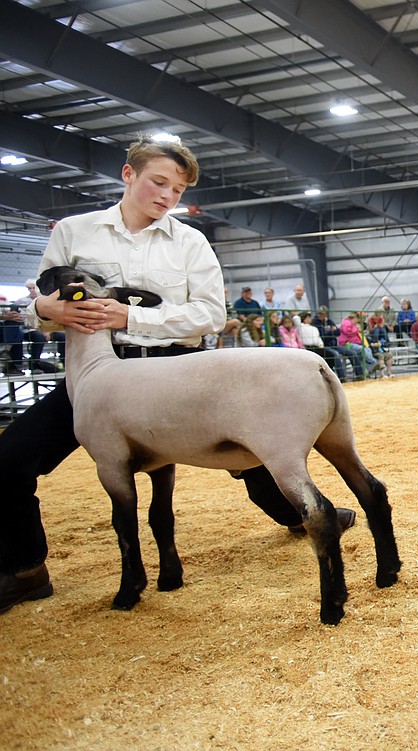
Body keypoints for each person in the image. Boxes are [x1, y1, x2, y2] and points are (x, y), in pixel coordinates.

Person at [0, 137, 355, 616]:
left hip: (174, 372)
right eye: (158, 182)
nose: (167, 196)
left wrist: (130, 318)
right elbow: (41, 303)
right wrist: (45, 307)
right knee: (9, 460)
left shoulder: (190, 241)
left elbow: (210, 313)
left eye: (178, 188)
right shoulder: (74, 231)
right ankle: (26, 569)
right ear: (128, 175)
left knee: (251, 451)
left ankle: (307, 513)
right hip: (96, 378)